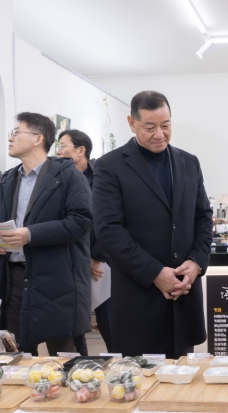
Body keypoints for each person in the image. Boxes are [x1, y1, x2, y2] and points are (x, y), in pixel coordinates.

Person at [92, 91, 212, 358]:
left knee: (184, 376)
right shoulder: (110, 166)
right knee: (140, 378)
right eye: (150, 127)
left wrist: (196, 261)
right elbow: (108, 230)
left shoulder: (189, 162)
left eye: (165, 125)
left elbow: (203, 216)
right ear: (131, 123)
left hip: (184, 296)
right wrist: (155, 273)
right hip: (139, 300)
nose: (160, 134)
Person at [0, 112, 92, 355]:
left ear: (37, 138)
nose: (10, 138)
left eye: (16, 132)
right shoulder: (8, 180)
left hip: (56, 280)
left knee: (64, 358)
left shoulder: (68, 176)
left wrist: (31, 234)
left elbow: (81, 221)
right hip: (15, 280)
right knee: (17, 357)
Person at [57, 129, 113, 354]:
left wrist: (96, 256)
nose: (58, 152)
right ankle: (81, 367)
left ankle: (121, 365)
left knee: (110, 322)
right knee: (75, 325)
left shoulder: (103, 176)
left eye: (62, 146)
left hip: (102, 263)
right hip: (70, 262)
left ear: (81, 150)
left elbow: (111, 220)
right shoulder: (59, 179)